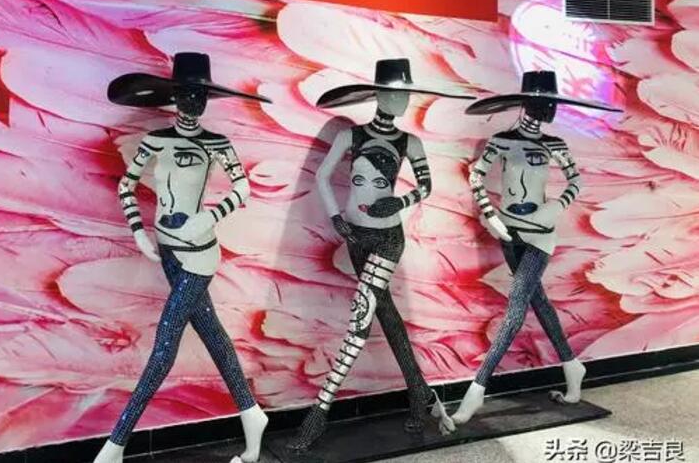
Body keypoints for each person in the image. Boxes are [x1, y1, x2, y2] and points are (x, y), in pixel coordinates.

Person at [94, 52, 271, 463]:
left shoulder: (216, 144)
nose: (194, 101)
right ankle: (251, 413)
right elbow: (126, 185)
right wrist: (139, 231)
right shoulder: (156, 140)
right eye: (187, 93)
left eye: (201, 95)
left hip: (199, 254)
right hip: (168, 251)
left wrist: (208, 217)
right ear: (175, 95)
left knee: (164, 347)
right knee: (214, 337)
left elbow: (243, 188)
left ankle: (115, 446)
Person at [289, 59, 474, 451]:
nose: (402, 100)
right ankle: (421, 396)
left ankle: (318, 413)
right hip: (356, 236)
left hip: (389, 238)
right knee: (386, 315)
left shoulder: (410, 142)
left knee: (361, 316)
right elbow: (322, 176)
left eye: (406, 93)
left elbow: (426, 185)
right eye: (395, 92)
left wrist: (400, 201)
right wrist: (336, 217)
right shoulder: (352, 136)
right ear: (379, 94)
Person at [445, 70, 621, 432]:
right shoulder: (502, 141)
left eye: (548, 105)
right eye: (538, 103)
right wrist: (489, 213)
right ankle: (573, 367)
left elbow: (576, 181)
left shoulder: (555, 144)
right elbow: (476, 175)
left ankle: (476, 391)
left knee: (516, 308)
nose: (543, 111)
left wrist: (556, 206)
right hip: (507, 231)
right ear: (524, 103)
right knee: (538, 302)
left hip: (540, 235)